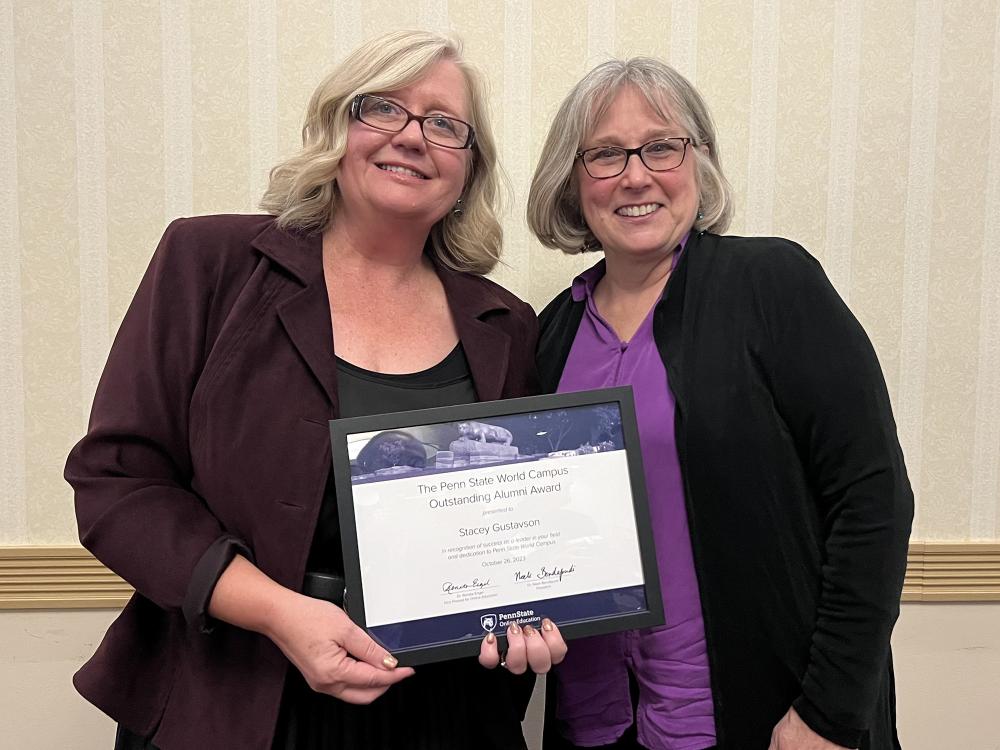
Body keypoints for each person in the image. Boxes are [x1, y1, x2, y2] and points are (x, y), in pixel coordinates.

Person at [66, 30, 565, 750]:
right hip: (233, 698)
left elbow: (513, 526)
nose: (412, 136)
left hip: (438, 711)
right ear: (338, 128)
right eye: (382, 108)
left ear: (469, 169)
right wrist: (278, 612)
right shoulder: (211, 265)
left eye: (444, 124)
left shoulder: (506, 325)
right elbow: (116, 484)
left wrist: (530, 611)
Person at [527, 57, 912, 750]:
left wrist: (828, 715)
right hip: (597, 725)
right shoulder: (549, 335)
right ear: (572, 179)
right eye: (606, 154)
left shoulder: (770, 285)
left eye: (662, 146)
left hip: (767, 723)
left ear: (699, 163)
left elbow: (873, 499)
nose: (636, 175)